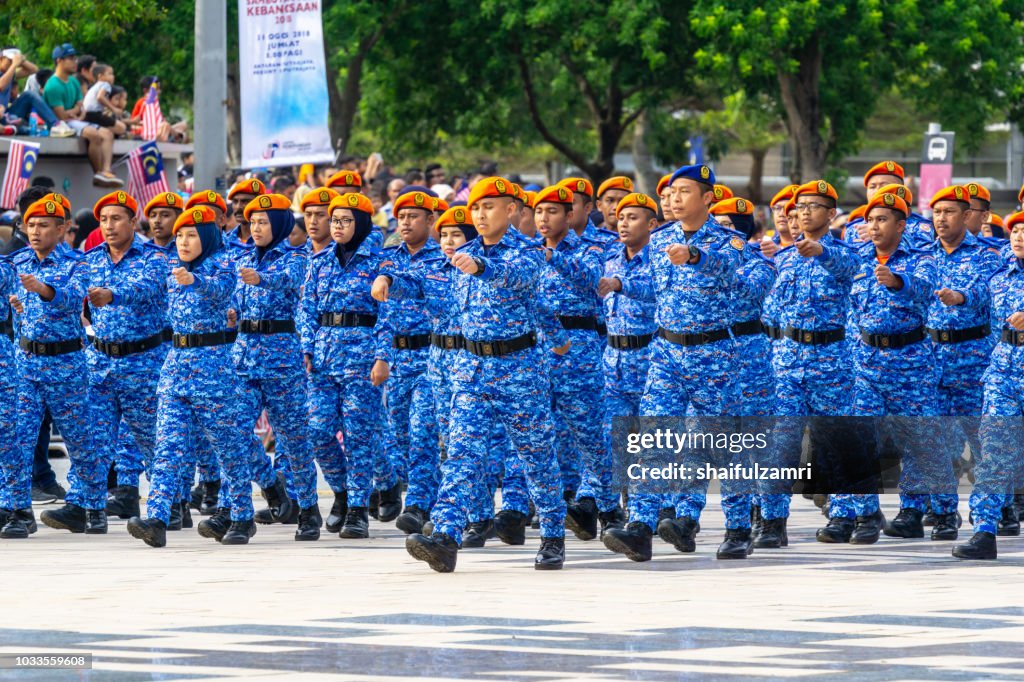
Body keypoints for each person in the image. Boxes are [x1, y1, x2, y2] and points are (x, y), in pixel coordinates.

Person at [405, 177, 568, 572]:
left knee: (536, 455)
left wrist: (481, 266)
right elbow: (438, 291)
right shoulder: (460, 255)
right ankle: (445, 536)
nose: (480, 215)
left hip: (518, 370)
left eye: (489, 207)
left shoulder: (528, 251)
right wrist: (394, 283)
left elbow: (519, 280)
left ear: (511, 210)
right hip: (471, 369)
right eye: (476, 208)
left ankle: (552, 533)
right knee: (461, 453)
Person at [126, 206, 256, 547]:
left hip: (212, 367)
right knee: (167, 445)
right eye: (180, 235)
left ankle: (242, 515)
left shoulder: (222, 265)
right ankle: (157, 517)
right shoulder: (172, 272)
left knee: (228, 447)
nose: (183, 241)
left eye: (191, 235)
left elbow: (219, 290)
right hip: (175, 365)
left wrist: (194, 279)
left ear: (208, 238)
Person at [9, 197, 107, 535]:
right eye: (30, 225)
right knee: (17, 439)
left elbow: (71, 298)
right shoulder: (17, 260)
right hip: (26, 364)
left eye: (43, 225)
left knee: (80, 439)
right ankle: (18, 511)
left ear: (62, 228)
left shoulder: (76, 263)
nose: (35, 231)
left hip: (65, 364)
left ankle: (94, 506)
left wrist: (44, 289)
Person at [299, 192, 390, 540]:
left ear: (362, 223)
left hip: (362, 360)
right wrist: (307, 347)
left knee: (358, 437)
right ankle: (341, 491)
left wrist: (383, 356)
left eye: (345, 221)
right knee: (318, 431)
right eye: (334, 220)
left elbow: (387, 315)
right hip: (323, 359)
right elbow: (306, 309)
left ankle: (357, 511)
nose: (337, 226)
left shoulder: (378, 263)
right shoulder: (320, 262)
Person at [531, 184, 619, 540]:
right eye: (538, 212)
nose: (543, 219)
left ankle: (609, 507)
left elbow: (590, 281)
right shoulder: (525, 252)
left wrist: (554, 258)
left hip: (578, 348)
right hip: (535, 347)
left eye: (552, 212)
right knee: (540, 436)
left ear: (569, 217)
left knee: (589, 435)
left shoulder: (592, 248)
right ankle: (551, 506)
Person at [915, 185, 1002, 540]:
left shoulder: (987, 255)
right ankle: (944, 514)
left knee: (983, 440)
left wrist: (961, 296)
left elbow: (989, 294)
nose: (941, 219)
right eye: (936, 212)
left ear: (966, 216)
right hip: (933, 358)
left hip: (974, 358)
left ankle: (1002, 508)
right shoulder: (922, 256)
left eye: (949, 212)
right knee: (937, 441)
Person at [233, 194, 320, 540]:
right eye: (253, 222)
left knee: (295, 439)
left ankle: (309, 509)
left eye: (264, 222)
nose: (255, 228)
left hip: (281, 359)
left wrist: (261, 279)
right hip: (243, 359)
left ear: (280, 226)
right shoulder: (241, 258)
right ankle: (269, 488)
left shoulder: (297, 257)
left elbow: (288, 280)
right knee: (232, 431)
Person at [83, 191, 169, 524]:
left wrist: (112, 294)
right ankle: (91, 509)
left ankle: (170, 505)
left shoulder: (154, 257)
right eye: (103, 220)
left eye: (116, 218)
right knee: (97, 439)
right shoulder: (91, 259)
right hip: (102, 364)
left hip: (142, 362)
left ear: (133, 222)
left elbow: (145, 287)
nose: (108, 226)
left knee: (151, 439)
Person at [953, 210, 1024, 560]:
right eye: (1016, 230)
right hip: (1005, 371)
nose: (1019, 236)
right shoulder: (1000, 277)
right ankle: (985, 529)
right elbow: (977, 307)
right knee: (995, 450)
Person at [594, 193, 659, 560]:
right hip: (614, 359)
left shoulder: (662, 260)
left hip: (650, 357)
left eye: (632, 217)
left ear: (651, 224)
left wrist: (622, 284)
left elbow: (657, 292)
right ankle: (622, 511)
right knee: (614, 439)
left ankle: (648, 517)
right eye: (620, 217)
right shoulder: (610, 260)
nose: (623, 223)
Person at [377, 189, 442, 534]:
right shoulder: (390, 258)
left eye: (413, 216)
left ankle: (417, 503)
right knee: (399, 435)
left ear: (430, 220)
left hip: (429, 356)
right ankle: (422, 497)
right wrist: (381, 355)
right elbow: (383, 314)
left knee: (422, 431)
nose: (405, 222)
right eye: (400, 216)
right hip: (398, 358)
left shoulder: (442, 258)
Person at [42, 44, 121, 187]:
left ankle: (106, 171)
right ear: (59, 60)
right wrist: (76, 112)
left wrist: (76, 112)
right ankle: (98, 174)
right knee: (94, 135)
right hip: (60, 126)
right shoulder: (52, 85)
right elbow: (61, 116)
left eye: (75, 58)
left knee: (108, 134)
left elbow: (81, 106)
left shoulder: (73, 81)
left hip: (76, 121)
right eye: (71, 58)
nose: (75, 62)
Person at [0, 47, 60, 132]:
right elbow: (1, 86)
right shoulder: (8, 74)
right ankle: (17, 128)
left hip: (6, 115)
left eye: (13, 61)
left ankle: (55, 125)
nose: (12, 63)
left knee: (29, 95)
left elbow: (34, 70)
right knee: (23, 130)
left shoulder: (9, 74)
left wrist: (22, 61)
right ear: (1, 59)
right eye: (10, 61)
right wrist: (14, 65)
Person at [82, 64, 126, 135]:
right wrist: (113, 109)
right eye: (110, 74)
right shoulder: (106, 85)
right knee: (122, 128)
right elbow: (100, 97)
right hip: (95, 114)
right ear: (100, 76)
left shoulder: (95, 86)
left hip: (86, 114)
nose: (113, 76)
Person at [227, 178, 268, 244]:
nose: (238, 207)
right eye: (235, 201)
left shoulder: (269, 241)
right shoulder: (226, 241)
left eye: (245, 201)